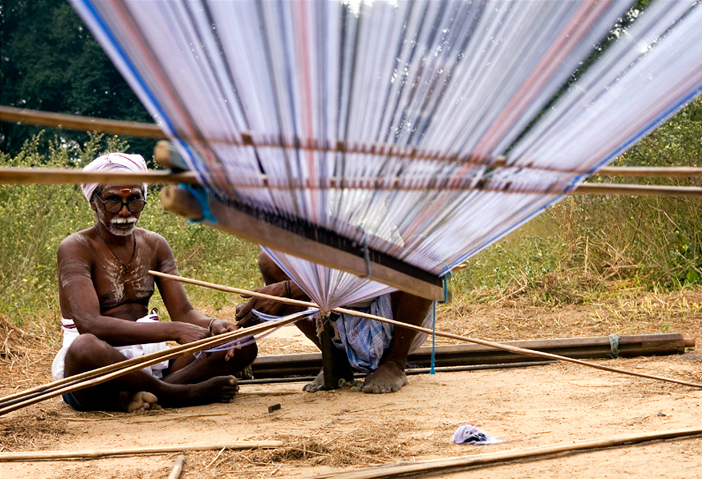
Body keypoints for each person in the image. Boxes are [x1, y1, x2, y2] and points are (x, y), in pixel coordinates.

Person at [52, 153, 256, 413]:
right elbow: (90, 324)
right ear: (94, 203)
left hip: (150, 364)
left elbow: (183, 313)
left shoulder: (155, 245)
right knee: (84, 347)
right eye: (113, 201)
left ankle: (141, 395)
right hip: (98, 370)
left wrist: (215, 326)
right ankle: (175, 393)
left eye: (134, 200)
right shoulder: (76, 248)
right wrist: (175, 330)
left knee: (243, 343)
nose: (125, 212)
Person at [236, 251, 433, 394]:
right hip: (338, 321)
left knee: (419, 258)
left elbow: (371, 265)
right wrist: (267, 306)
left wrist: (291, 290)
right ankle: (335, 360)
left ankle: (395, 362)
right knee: (271, 260)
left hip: (393, 318)